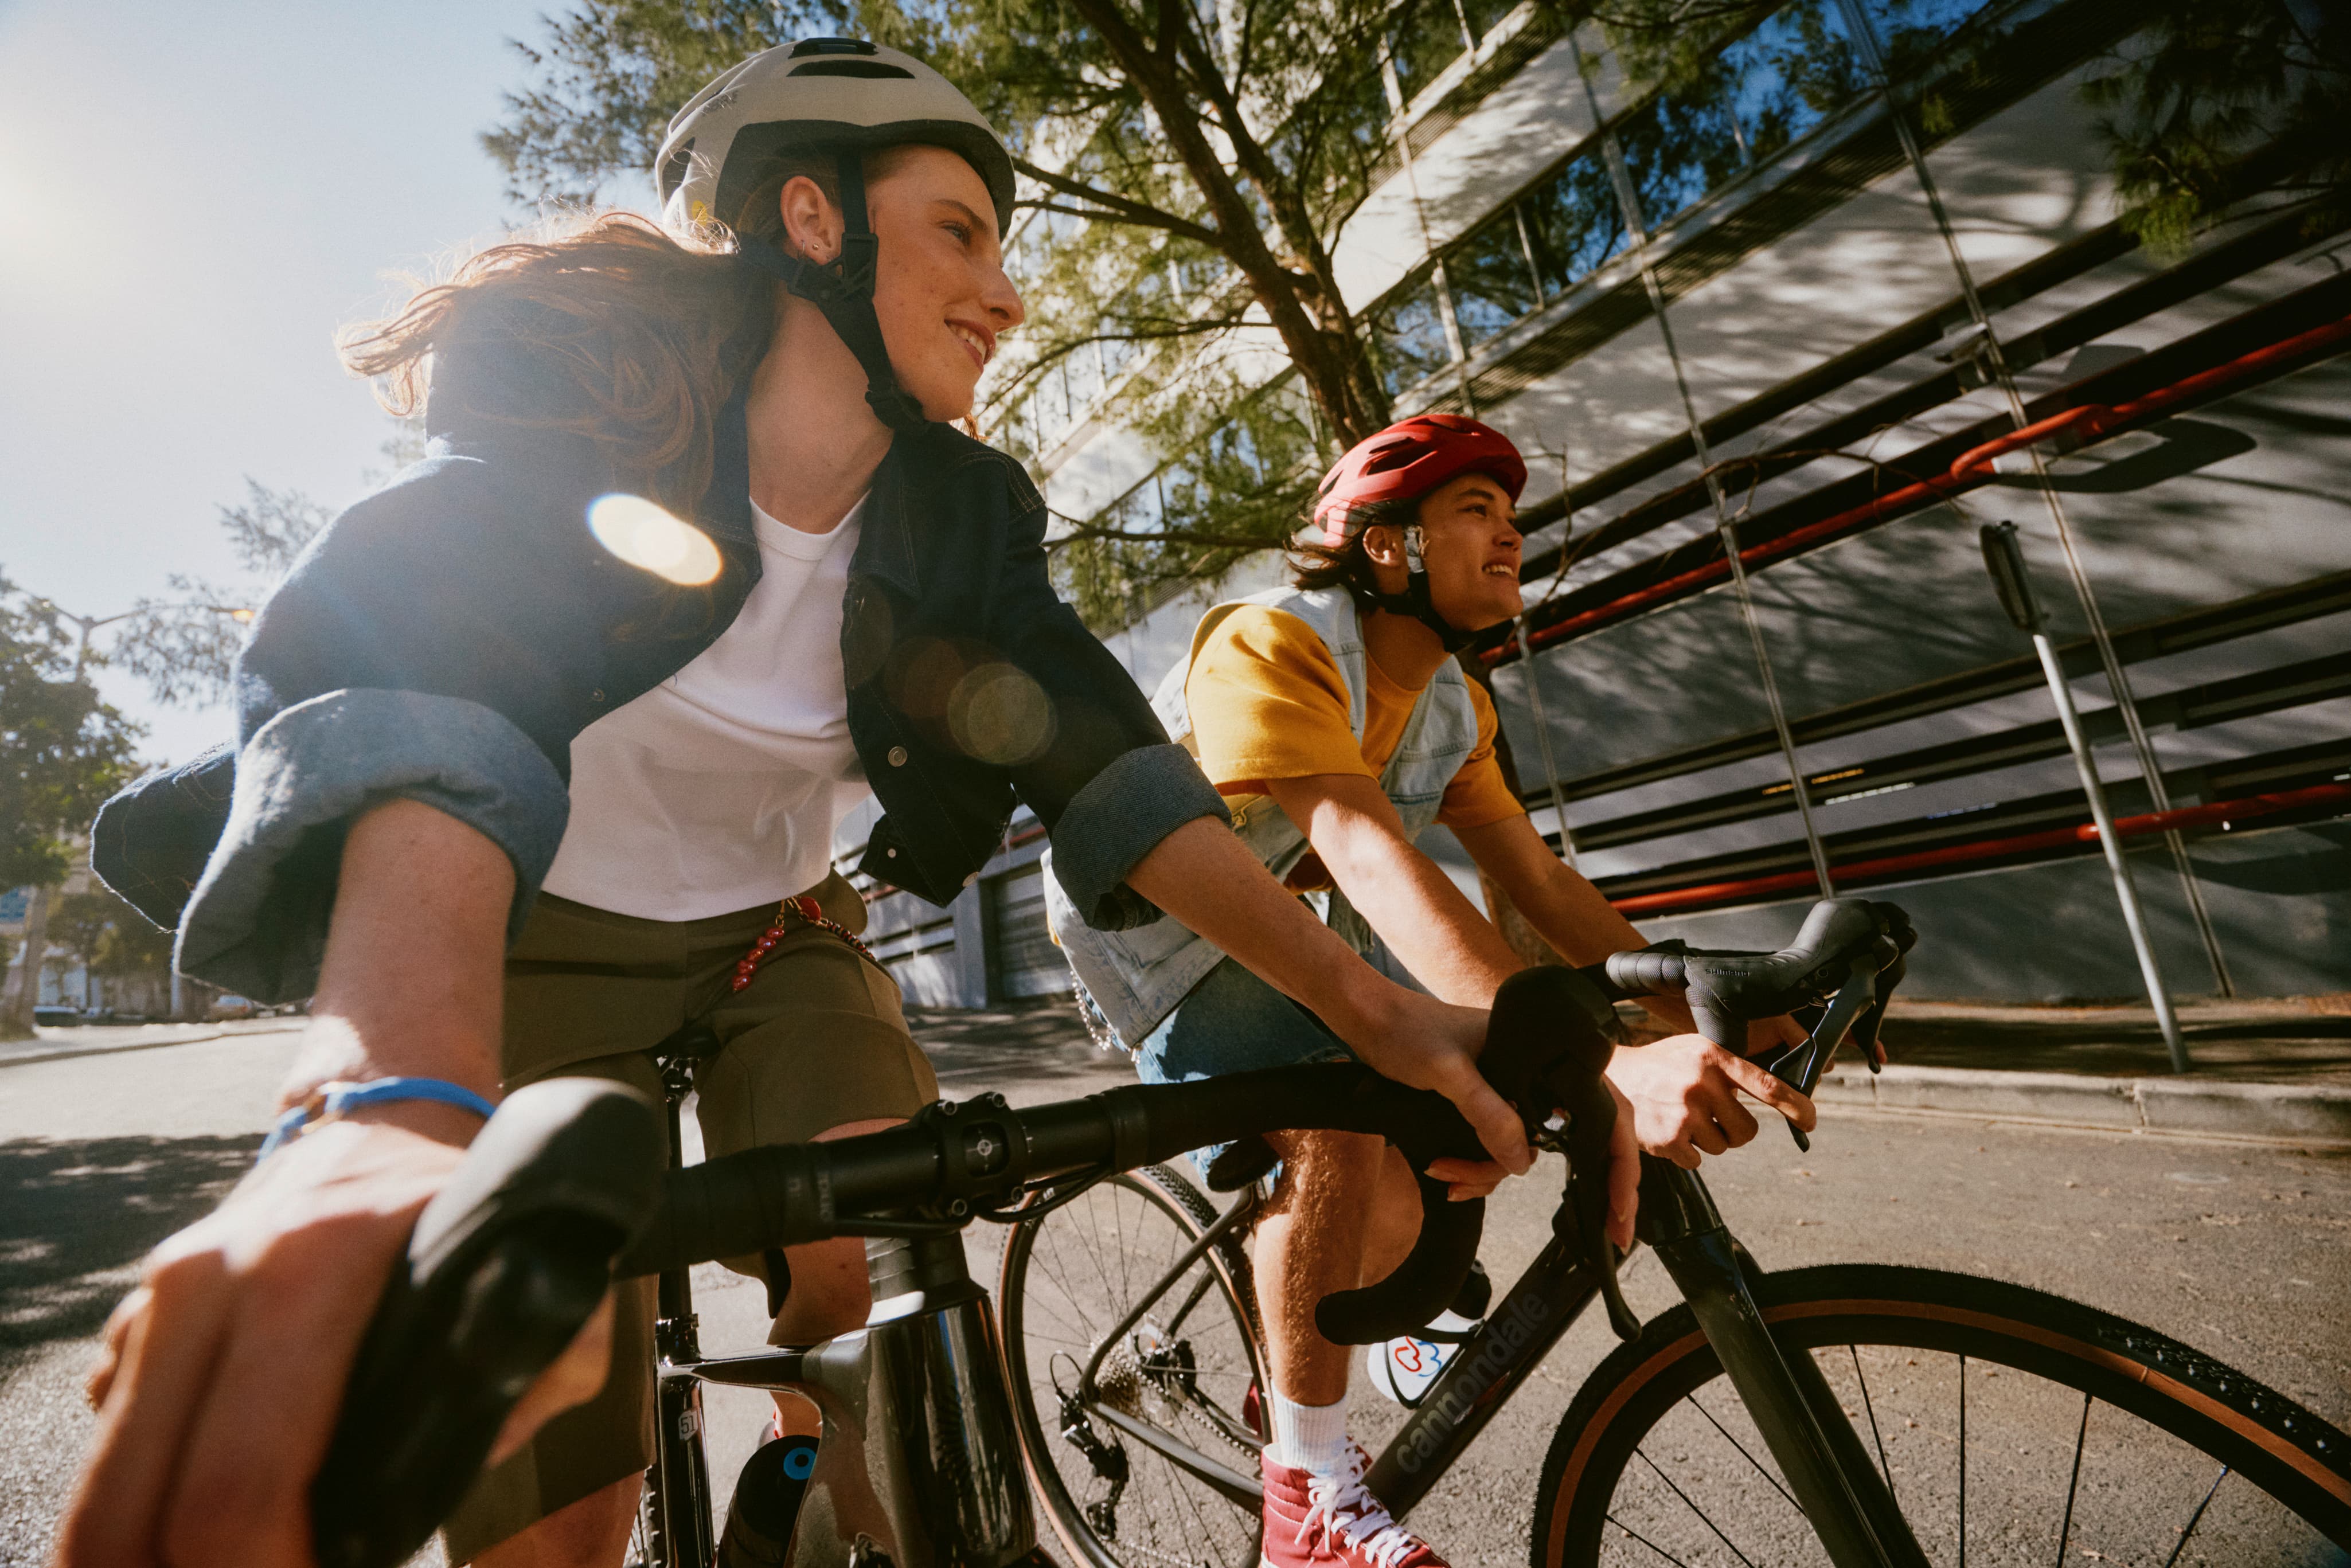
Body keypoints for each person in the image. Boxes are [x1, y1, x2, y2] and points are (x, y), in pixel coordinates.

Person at [56, 42, 1549, 1568]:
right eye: (959, 231)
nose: (1008, 294)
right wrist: (386, 1111)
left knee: (873, 1291)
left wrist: (1379, 1018)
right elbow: (420, 707)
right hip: (534, 953)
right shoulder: (583, 428)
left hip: (776, 941)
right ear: (814, 222)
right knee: (563, 1484)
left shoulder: (963, 514)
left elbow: (1114, 773)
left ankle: (813, 1505)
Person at [1048, 413, 1841, 1568]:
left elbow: (1535, 883)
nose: (1511, 537)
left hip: (1304, 926)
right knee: (1337, 1099)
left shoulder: (1455, 704)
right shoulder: (1274, 640)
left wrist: (1714, 1007)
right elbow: (1367, 851)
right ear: (1384, 547)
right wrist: (1601, 1056)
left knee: (1409, 1196)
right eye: (1475, 512)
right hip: (1162, 939)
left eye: (1514, 518)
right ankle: (1304, 1502)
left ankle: (1289, 1350)